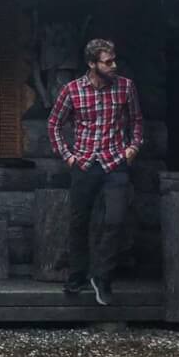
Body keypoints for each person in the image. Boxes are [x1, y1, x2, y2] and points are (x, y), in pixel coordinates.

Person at [46, 37, 143, 304]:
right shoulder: (72, 91)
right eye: (107, 62)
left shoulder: (125, 87)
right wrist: (67, 156)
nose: (114, 65)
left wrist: (133, 147)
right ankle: (77, 275)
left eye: (114, 60)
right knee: (79, 221)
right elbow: (54, 124)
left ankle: (102, 278)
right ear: (92, 64)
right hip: (85, 163)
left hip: (115, 162)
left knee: (115, 219)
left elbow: (136, 121)